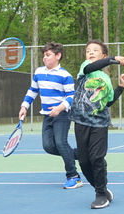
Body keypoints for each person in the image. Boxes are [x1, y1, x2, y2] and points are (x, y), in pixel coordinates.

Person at [70, 40, 124, 209]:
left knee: (96, 158)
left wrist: (121, 87)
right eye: (88, 50)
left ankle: (100, 194)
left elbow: (108, 102)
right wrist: (114, 59)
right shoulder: (85, 68)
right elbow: (93, 66)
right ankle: (102, 189)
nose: (90, 52)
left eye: (95, 50)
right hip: (81, 121)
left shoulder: (105, 79)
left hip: (100, 123)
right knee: (84, 161)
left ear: (103, 55)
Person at [18, 42, 82, 189]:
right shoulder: (39, 72)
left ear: (58, 56)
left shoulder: (65, 75)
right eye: (44, 55)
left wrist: (60, 108)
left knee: (61, 143)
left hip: (62, 115)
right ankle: (80, 155)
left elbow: (71, 96)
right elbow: (33, 91)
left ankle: (73, 176)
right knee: (48, 146)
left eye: (48, 55)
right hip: (47, 115)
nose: (44, 58)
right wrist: (24, 106)